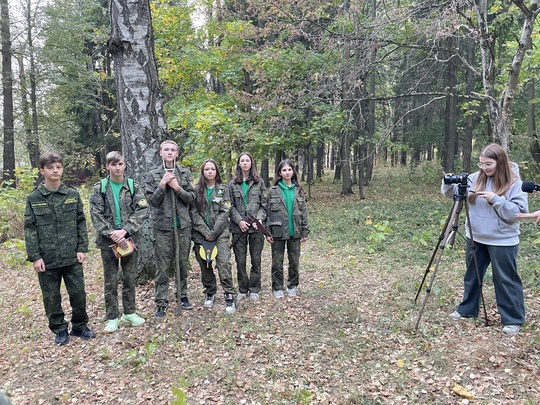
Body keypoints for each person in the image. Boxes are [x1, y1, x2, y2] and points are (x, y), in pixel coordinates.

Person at [441, 143, 528, 335]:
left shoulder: (514, 183)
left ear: (500, 162)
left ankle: (513, 319)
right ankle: (467, 310)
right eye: (481, 164)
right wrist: (447, 183)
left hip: (502, 240)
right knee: (472, 275)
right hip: (476, 236)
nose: (484, 168)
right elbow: (455, 194)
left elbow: (520, 213)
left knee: (505, 279)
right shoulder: (474, 178)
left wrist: (496, 200)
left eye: (488, 164)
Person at [24, 152, 96, 345]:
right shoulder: (34, 198)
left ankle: (80, 326)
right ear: (42, 171)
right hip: (47, 259)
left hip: (72, 255)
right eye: (50, 168)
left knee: (78, 293)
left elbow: (81, 222)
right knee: (51, 297)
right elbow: (30, 229)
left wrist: (81, 248)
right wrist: (35, 257)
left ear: (62, 169)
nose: (55, 171)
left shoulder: (72, 194)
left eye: (58, 167)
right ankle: (59, 329)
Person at [90, 151, 148, 333]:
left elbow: (141, 210)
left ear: (124, 165)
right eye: (113, 164)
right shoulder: (99, 188)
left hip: (129, 240)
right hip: (108, 242)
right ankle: (112, 317)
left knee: (129, 278)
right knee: (110, 280)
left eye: (120, 164)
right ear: (107, 166)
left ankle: (129, 312)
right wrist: (112, 233)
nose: (117, 167)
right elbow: (96, 214)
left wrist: (125, 230)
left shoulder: (133, 186)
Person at [145, 140, 196, 317]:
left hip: (183, 226)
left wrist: (176, 187)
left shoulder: (184, 173)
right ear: (160, 153)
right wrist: (162, 184)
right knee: (163, 266)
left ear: (177, 153)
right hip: (162, 227)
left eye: (172, 150)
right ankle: (161, 301)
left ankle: (182, 296)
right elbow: (151, 201)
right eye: (166, 149)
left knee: (182, 262)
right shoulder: (153, 175)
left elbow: (191, 198)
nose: (169, 152)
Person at [191, 159, 237, 314]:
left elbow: (225, 211)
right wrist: (205, 232)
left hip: (221, 234)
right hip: (200, 235)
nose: (210, 172)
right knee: (205, 264)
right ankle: (210, 291)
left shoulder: (224, 189)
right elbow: (193, 213)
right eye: (207, 169)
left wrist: (214, 232)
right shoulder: (196, 190)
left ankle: (229, 294)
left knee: (224, 263)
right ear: (203, 172)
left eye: (212, 169)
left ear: (216, 171)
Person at [265, 159, 310, 298]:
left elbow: (304, 212)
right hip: (277, 231)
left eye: (289, 170)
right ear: (280, 172)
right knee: (277, 262)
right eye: (284, 170)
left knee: (294, 261)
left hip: (295, 231)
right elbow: (267, 213)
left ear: (293, 171)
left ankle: (293, 285)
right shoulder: (273, 191)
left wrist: (305, 230)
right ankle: (277, 287)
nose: (287, 172)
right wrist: (267, 232)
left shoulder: (299, 190)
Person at [228, 152, 267, 301]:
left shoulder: (259, 182)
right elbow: (229, 206)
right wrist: (239, 221)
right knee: (240, 260)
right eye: (242, 161)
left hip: (256, 228)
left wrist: (259, 219)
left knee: (256, 259)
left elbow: (264, 205)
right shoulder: (232, 184)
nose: (245, 163)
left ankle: (254, 288)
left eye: (247, 160)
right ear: (238, 164)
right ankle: (243, 289)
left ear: (251, 163)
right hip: (239, 228)